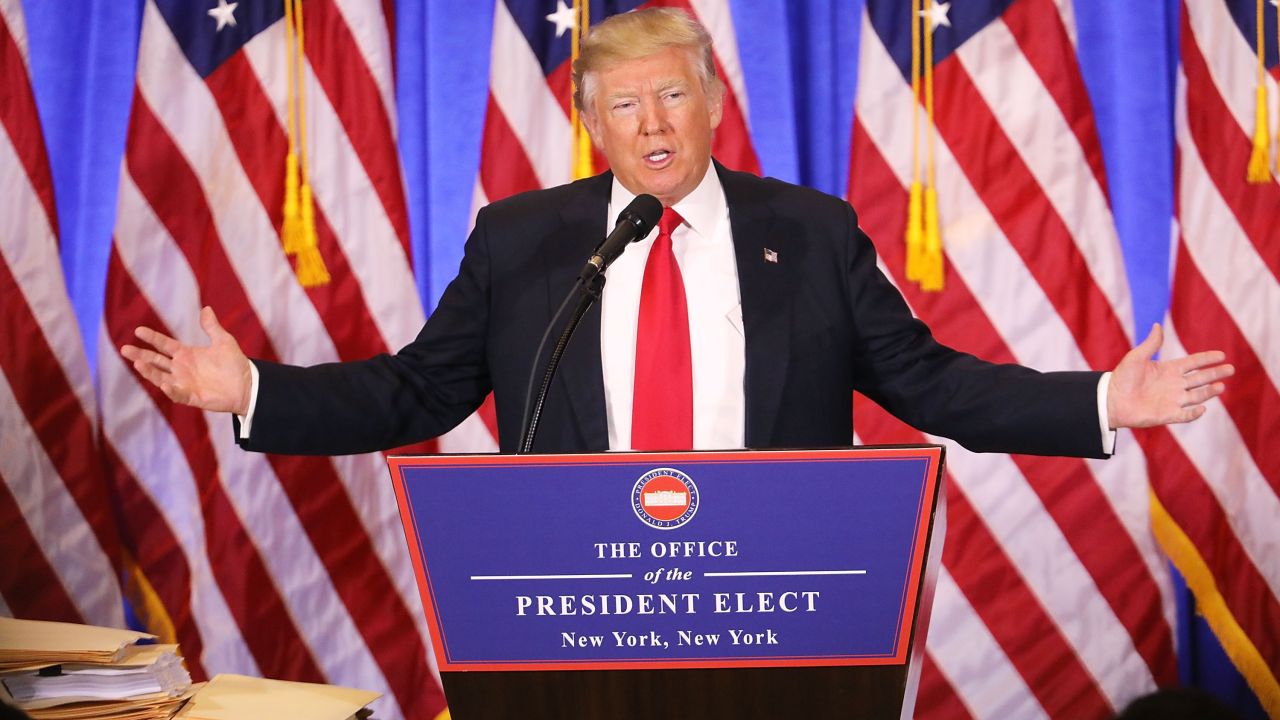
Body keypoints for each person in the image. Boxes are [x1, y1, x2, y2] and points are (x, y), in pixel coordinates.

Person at [121, 8, 1232, 457]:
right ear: (589, 124)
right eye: (622, 105)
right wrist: (253, 392)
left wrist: (1102, 400)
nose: (650, 123)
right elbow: (416, 392)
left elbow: (929, 385)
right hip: (575, 602)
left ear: (710, 104)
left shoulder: (808, 231)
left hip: (770, 599)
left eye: (670, 97)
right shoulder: (520, 240)